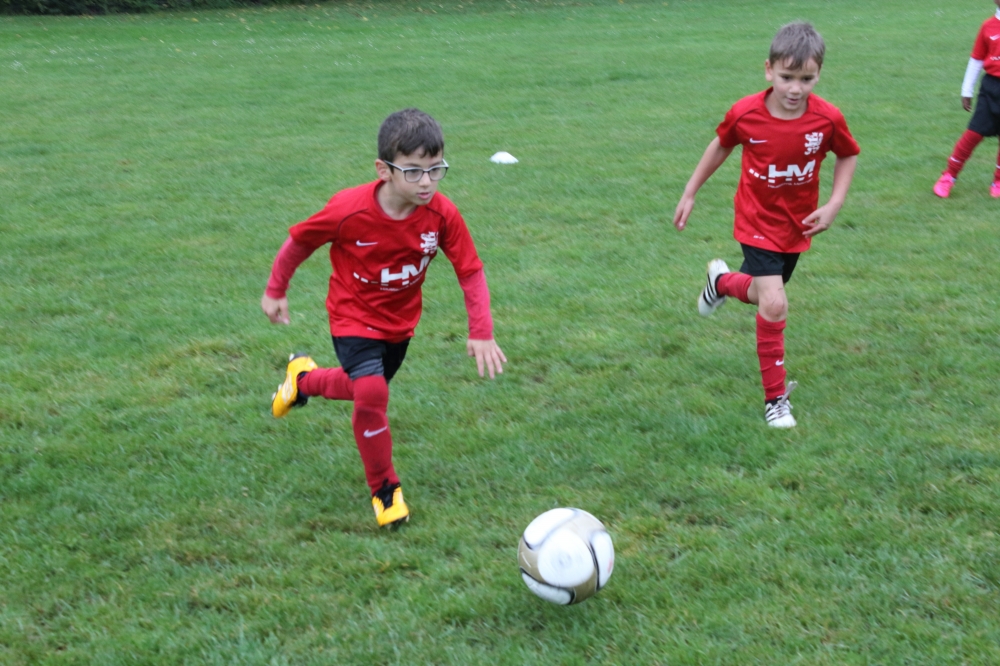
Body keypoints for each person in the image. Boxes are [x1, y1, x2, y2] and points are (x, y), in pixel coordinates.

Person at [261, 108, 506, 527]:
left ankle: (302, 380)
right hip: (351, 315)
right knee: (372, 393)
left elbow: (470, 270)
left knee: (363, 388)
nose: (426, 182)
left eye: (436, 169)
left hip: (399, 323)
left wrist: (481, 331)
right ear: (384, 170)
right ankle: (385, 491)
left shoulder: (442, 215)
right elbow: (300, 242)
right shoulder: (348, 209)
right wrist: (275, 289)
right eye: (413, 171)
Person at [672, 22, 860, 428]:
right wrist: (690, 191)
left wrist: (835, 203)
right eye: (787, 77)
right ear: (768, 69)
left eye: (806, 79)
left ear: (819, 75)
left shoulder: (827, 119)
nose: (795, 88)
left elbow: (848, 154)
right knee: (775, 303)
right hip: (755, 218)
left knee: (763, 294)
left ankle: (721, 282)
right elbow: (721, 145)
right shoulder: (746, 113)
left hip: (798, 224)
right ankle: (776, 400)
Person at [932, 0, 1000, 199]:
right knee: (973, 133)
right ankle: (949, 176)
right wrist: (966, 90)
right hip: (991, 88)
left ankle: (998, 181)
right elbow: (977, 58)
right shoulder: (987, 26)